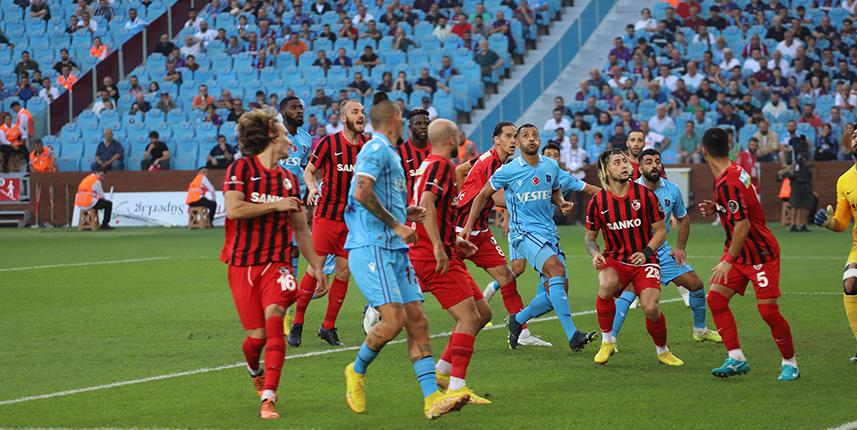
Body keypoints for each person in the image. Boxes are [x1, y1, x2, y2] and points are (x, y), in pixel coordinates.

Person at [342, 100, 469, 419]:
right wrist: (397, 224)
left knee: (418, 321)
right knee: (395, 319)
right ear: (396, 119)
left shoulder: (391, 154)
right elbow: (361, 192)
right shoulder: (376, 149)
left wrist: (403, 213)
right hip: (373, 246)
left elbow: (376, 196)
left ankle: (431, 399)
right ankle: (356, 372)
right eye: (403, 117)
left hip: (393, 248)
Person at [221, 108, 327, 420]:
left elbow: (301, 229)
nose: (289, 141)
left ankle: (268, 397)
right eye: (283, 135)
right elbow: (234, 209)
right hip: (242, 265)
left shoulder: (289, 181)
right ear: (271, 137)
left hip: (277, 264)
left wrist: (317, 267)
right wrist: (274, 205)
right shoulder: (240, 169)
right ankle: (254, 369)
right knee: (255, 340)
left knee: (275, 319)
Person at [464, 124, 597, 352]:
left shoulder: (550, 166)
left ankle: (517, 319)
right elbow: (482, 195)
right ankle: (572, 335)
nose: (531, 139)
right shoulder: (508, 170)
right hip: (523, 233)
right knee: (555, 270)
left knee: (558, 289)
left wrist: (561, 202)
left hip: (548, 232)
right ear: (518, 141)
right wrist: (468, 225)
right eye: (525, 136)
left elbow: (554, 190)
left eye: (535, 135)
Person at [697, 128, 799, 381]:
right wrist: (718, 208)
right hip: (741, 253)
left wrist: (727, 262)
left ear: (703, 151)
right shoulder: (734, 171)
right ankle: (736, 358)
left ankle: (790, 364)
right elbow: (743, 208)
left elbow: (743, 224)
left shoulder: (728, 180)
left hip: (759, 254)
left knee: (768, 312)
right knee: (716, 300)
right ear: (729, 147)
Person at [409, 118, 492, 404]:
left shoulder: (427, 164)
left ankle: (443, 371)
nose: (460, 142)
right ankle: (457, 386)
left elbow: (429, 206)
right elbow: (427, 204)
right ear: (450, 139)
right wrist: (437, 245)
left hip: (444, 250)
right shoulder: (442, 166)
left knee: (483, 313)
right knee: (469, 317)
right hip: (433, 255)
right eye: (457, 137)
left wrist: (454, 241)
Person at [610, 148, 721, 344]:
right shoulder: (629, 190)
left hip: (661, 249)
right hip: (637, 252)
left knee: (696, 285)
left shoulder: (672, 189)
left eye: (657, 161)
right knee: (628, 292)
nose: (654, 166)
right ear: (640, 167)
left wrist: (680, 247)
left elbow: (684, 219)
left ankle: (700, 330)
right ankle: (609, 341)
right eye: (649, 162)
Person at [585, 149, 682, 366]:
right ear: (606, 170)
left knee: (650, 308)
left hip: (645, 261)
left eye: (625, 162)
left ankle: (662, 351)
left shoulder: (645, 195)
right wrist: (595, 253)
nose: (624, 165)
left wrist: (646, 252)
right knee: (606, 285)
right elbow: (590, 238)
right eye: (617, 162)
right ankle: (607, 341)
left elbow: (660, 232)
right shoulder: (598, 202)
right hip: (616, 261)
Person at [454, 122, 548, 346]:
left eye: (515, 136)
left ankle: (522, 333)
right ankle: (380, 307)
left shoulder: (491, 159)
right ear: (496, 140)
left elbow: (460, 171)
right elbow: (494, 197)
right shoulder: (492, 163)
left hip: (481, 233)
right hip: (460, 231)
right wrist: (532, 200)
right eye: (508, 136)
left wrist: (462, 193)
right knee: (432, 275)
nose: (513, 141)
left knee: (506, 277)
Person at [289, 100, 369, 347]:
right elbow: (308, 171)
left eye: (363, 112)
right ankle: (298, 323)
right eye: (355, 112)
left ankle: (328, 327)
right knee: (316, 268)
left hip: (352, 220)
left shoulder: (367, 147)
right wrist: (312, 188)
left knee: (344, 272)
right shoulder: (328, 143)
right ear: (344, 118)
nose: (361, 115)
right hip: (326, 217)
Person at [814, 127, 857, 363]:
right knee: (850, 284)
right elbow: (842, 221)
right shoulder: (845, 180)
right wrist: (829, 223)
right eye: (855, 136)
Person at [276, 96, 314, 294]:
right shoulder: (273, 136)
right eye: (294, 108)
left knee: (294, 249)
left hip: (296, 201)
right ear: (283, 112)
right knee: (275, 250)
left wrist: (308, 206)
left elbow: (307, 170)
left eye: (301, 107)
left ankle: (288, 292)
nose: (299, 111)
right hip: (274, 201)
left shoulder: (306, 138)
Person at [396, 109, 431, 198]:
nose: (423, 126)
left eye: (426, 123)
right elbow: (397, 184)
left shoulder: (436, 148)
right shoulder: (401, 152)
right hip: (410, 208)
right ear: (410, 127)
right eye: (418, 123)